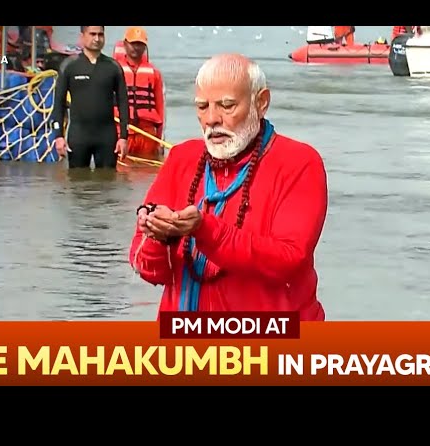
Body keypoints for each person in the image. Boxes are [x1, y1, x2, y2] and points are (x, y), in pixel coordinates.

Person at [128, 53, 328, 320]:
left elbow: (288, 260)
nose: (211, 119)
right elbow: (148, 269)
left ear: (261, 102)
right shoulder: (181, 158)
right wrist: (156, 235)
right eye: (202, 107)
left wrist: (204, 229)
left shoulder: (300, 163)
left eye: (227, 105)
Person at [50, 26, 130, 169]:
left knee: (108, 184)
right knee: (77, 185)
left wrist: (123, 137)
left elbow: (123, 103)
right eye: (92, 34)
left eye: (100, 35)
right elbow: (58, 103)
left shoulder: (113, 67)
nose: (97, 39)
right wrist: (58, 136)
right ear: (82, 37)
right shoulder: (70, 66)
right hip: (79, 136)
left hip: (106, 137)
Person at [112, 27, 166, 160]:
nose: (136, 47)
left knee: (147, 173)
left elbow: (161, 108)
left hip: (147, 133)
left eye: (140, 44)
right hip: (122, 132)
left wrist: (159, 140)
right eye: (133, 43)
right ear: (125, 44)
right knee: (121, 173)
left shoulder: (154, 73)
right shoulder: (113, 70)